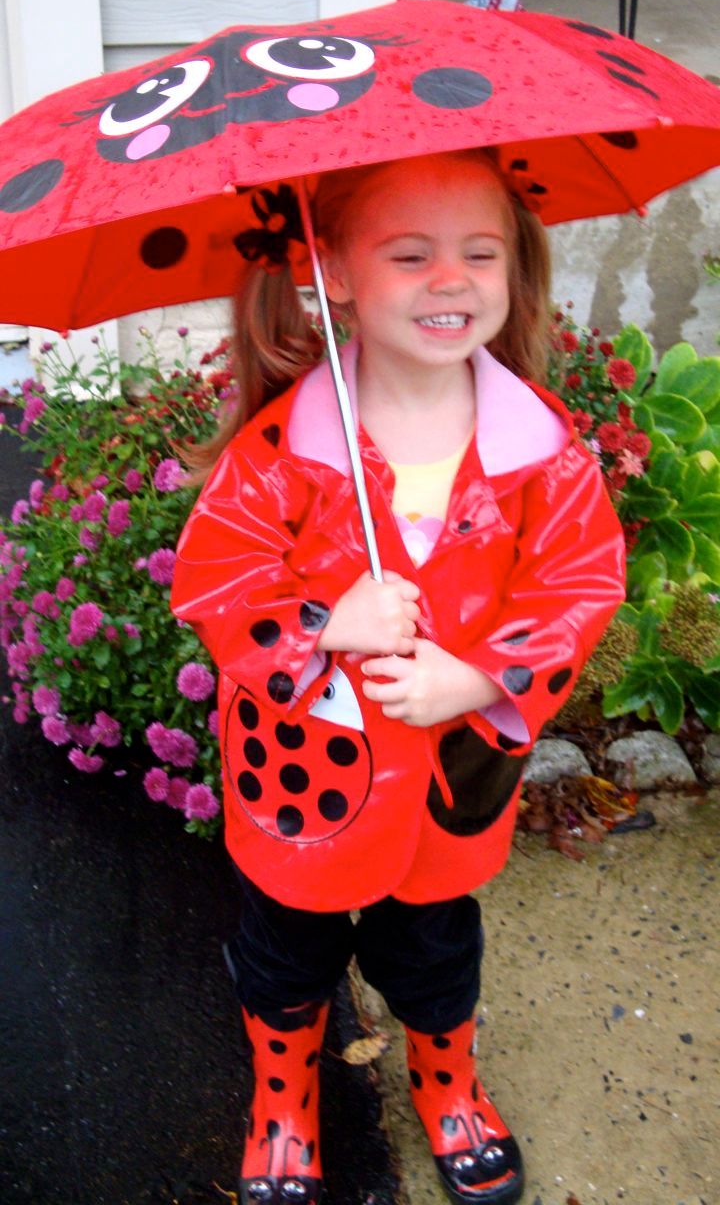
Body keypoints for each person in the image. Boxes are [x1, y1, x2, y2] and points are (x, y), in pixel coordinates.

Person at [170, 150, 626, 1205]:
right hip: (308, 785)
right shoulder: (284, 451)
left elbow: (577, 581)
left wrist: (480, 677)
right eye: (409, 254)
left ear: (515, 269)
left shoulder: (540, 453)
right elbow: (216, 578)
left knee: (433, 948)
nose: (451, 280)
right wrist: (327, 622)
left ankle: (447, 1078)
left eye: (479, 252)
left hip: (447, 786)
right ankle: (284, 1103)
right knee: (285, 955)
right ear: (332, 272)